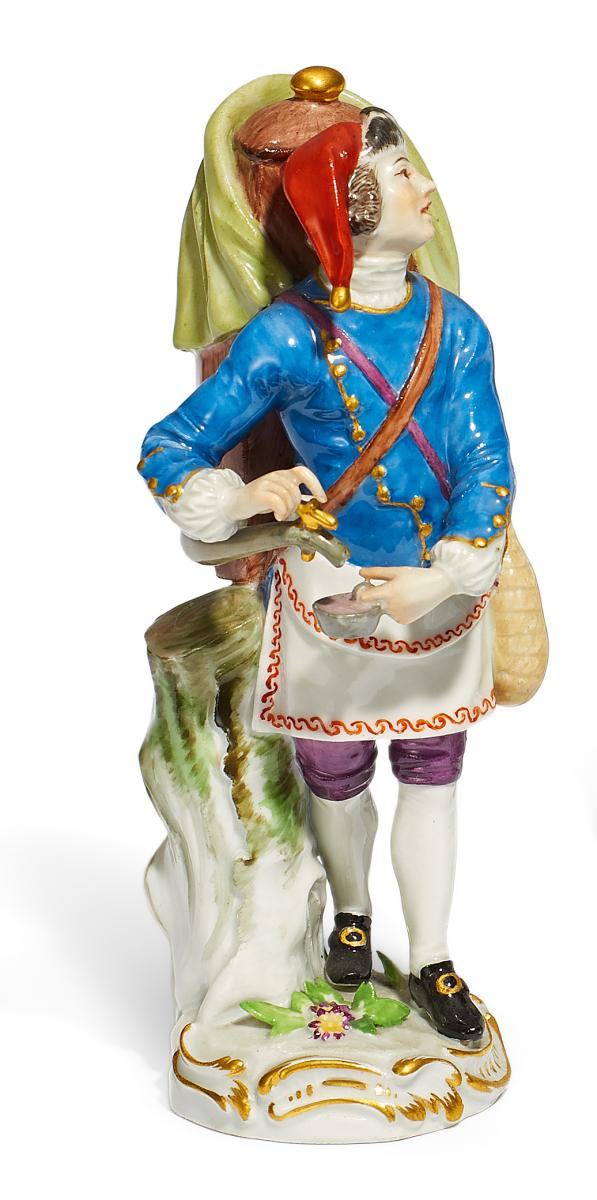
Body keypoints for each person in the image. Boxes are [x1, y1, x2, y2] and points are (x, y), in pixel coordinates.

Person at [138, 107, 514, 1042]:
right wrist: (242, 493)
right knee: (336, 771)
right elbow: (171, 446)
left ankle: (433, 957)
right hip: (328, 588)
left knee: (432, 769)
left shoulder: (454, 327)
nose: (427, 188)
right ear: (348, 210)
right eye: (402, 176)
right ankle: (350, 914)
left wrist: (444, 576)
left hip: (434, 591)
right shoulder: (286, 336)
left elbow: (485, 463)